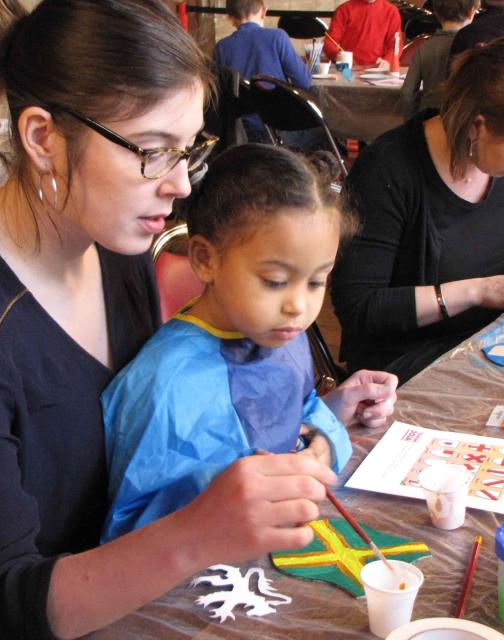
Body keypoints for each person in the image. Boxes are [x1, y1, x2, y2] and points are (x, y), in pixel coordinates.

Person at [0, 1, 398, 638]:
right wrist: (197, 533)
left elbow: (156, 437)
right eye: (151, 151)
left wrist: (313, 418)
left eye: (188, 149)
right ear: (42, 138)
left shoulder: (113, 246)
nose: (179, 185)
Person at [101, 145, 357, 540]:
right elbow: (130, 534)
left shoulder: (282, 335)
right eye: (275, 282)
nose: (299, 306)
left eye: (317, 281)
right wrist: (216, 497)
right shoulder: (165, 387)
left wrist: (325, 443)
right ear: (206, 259)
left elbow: (301, 406)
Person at [330, 33, 504, 385]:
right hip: (411, 365)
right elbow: (360, 309)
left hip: (499, 345)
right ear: (477, 125)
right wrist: (480, 290)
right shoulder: (388, 170)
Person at [213, 0, 318, 148]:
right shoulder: (277, 37)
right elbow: (304, 82)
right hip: (279, 127)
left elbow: (219, 93)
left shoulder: (221, 47)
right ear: (264, 12)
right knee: (321, 132)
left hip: (240, 131)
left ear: (230, 17)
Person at [400, 0, 480, 120]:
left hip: (428, 118)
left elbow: (407, 94)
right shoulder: (474, 47)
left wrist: (411, 122)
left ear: (436, 13)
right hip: (459, 121)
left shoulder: (424, 48)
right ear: (471, 12)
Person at [323, 0, 403, 69]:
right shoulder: (344, 9)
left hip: (377, 70)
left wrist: (388, 61)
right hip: (348, 69)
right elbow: (330, 42)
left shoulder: (391, 11)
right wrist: (336, 55)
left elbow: (396, 45)